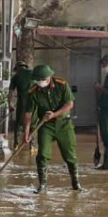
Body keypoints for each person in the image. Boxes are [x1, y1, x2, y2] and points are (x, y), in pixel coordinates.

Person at [22, 63, 81, 194]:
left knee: (70, 154)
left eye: (40, 80)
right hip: (45, 125)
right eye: (36, 80)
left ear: (48, 78)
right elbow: (28, 114)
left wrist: (54, 114)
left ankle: (75, 182)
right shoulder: (33, 92)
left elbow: (69, 104)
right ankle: (43, 184)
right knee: (42, 154)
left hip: (64, 124)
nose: (38, 83)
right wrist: (27, 133)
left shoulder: (62, 85)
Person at [7, 60, 35, 149]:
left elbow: (10, 92)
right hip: (34, 102)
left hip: (22, 102)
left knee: (19, 122)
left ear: (17, 68)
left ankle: (16, 144)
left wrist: (10, 104)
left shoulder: (16, 77)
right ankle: (32, 145)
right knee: (33, 123)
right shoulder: (33, 73)